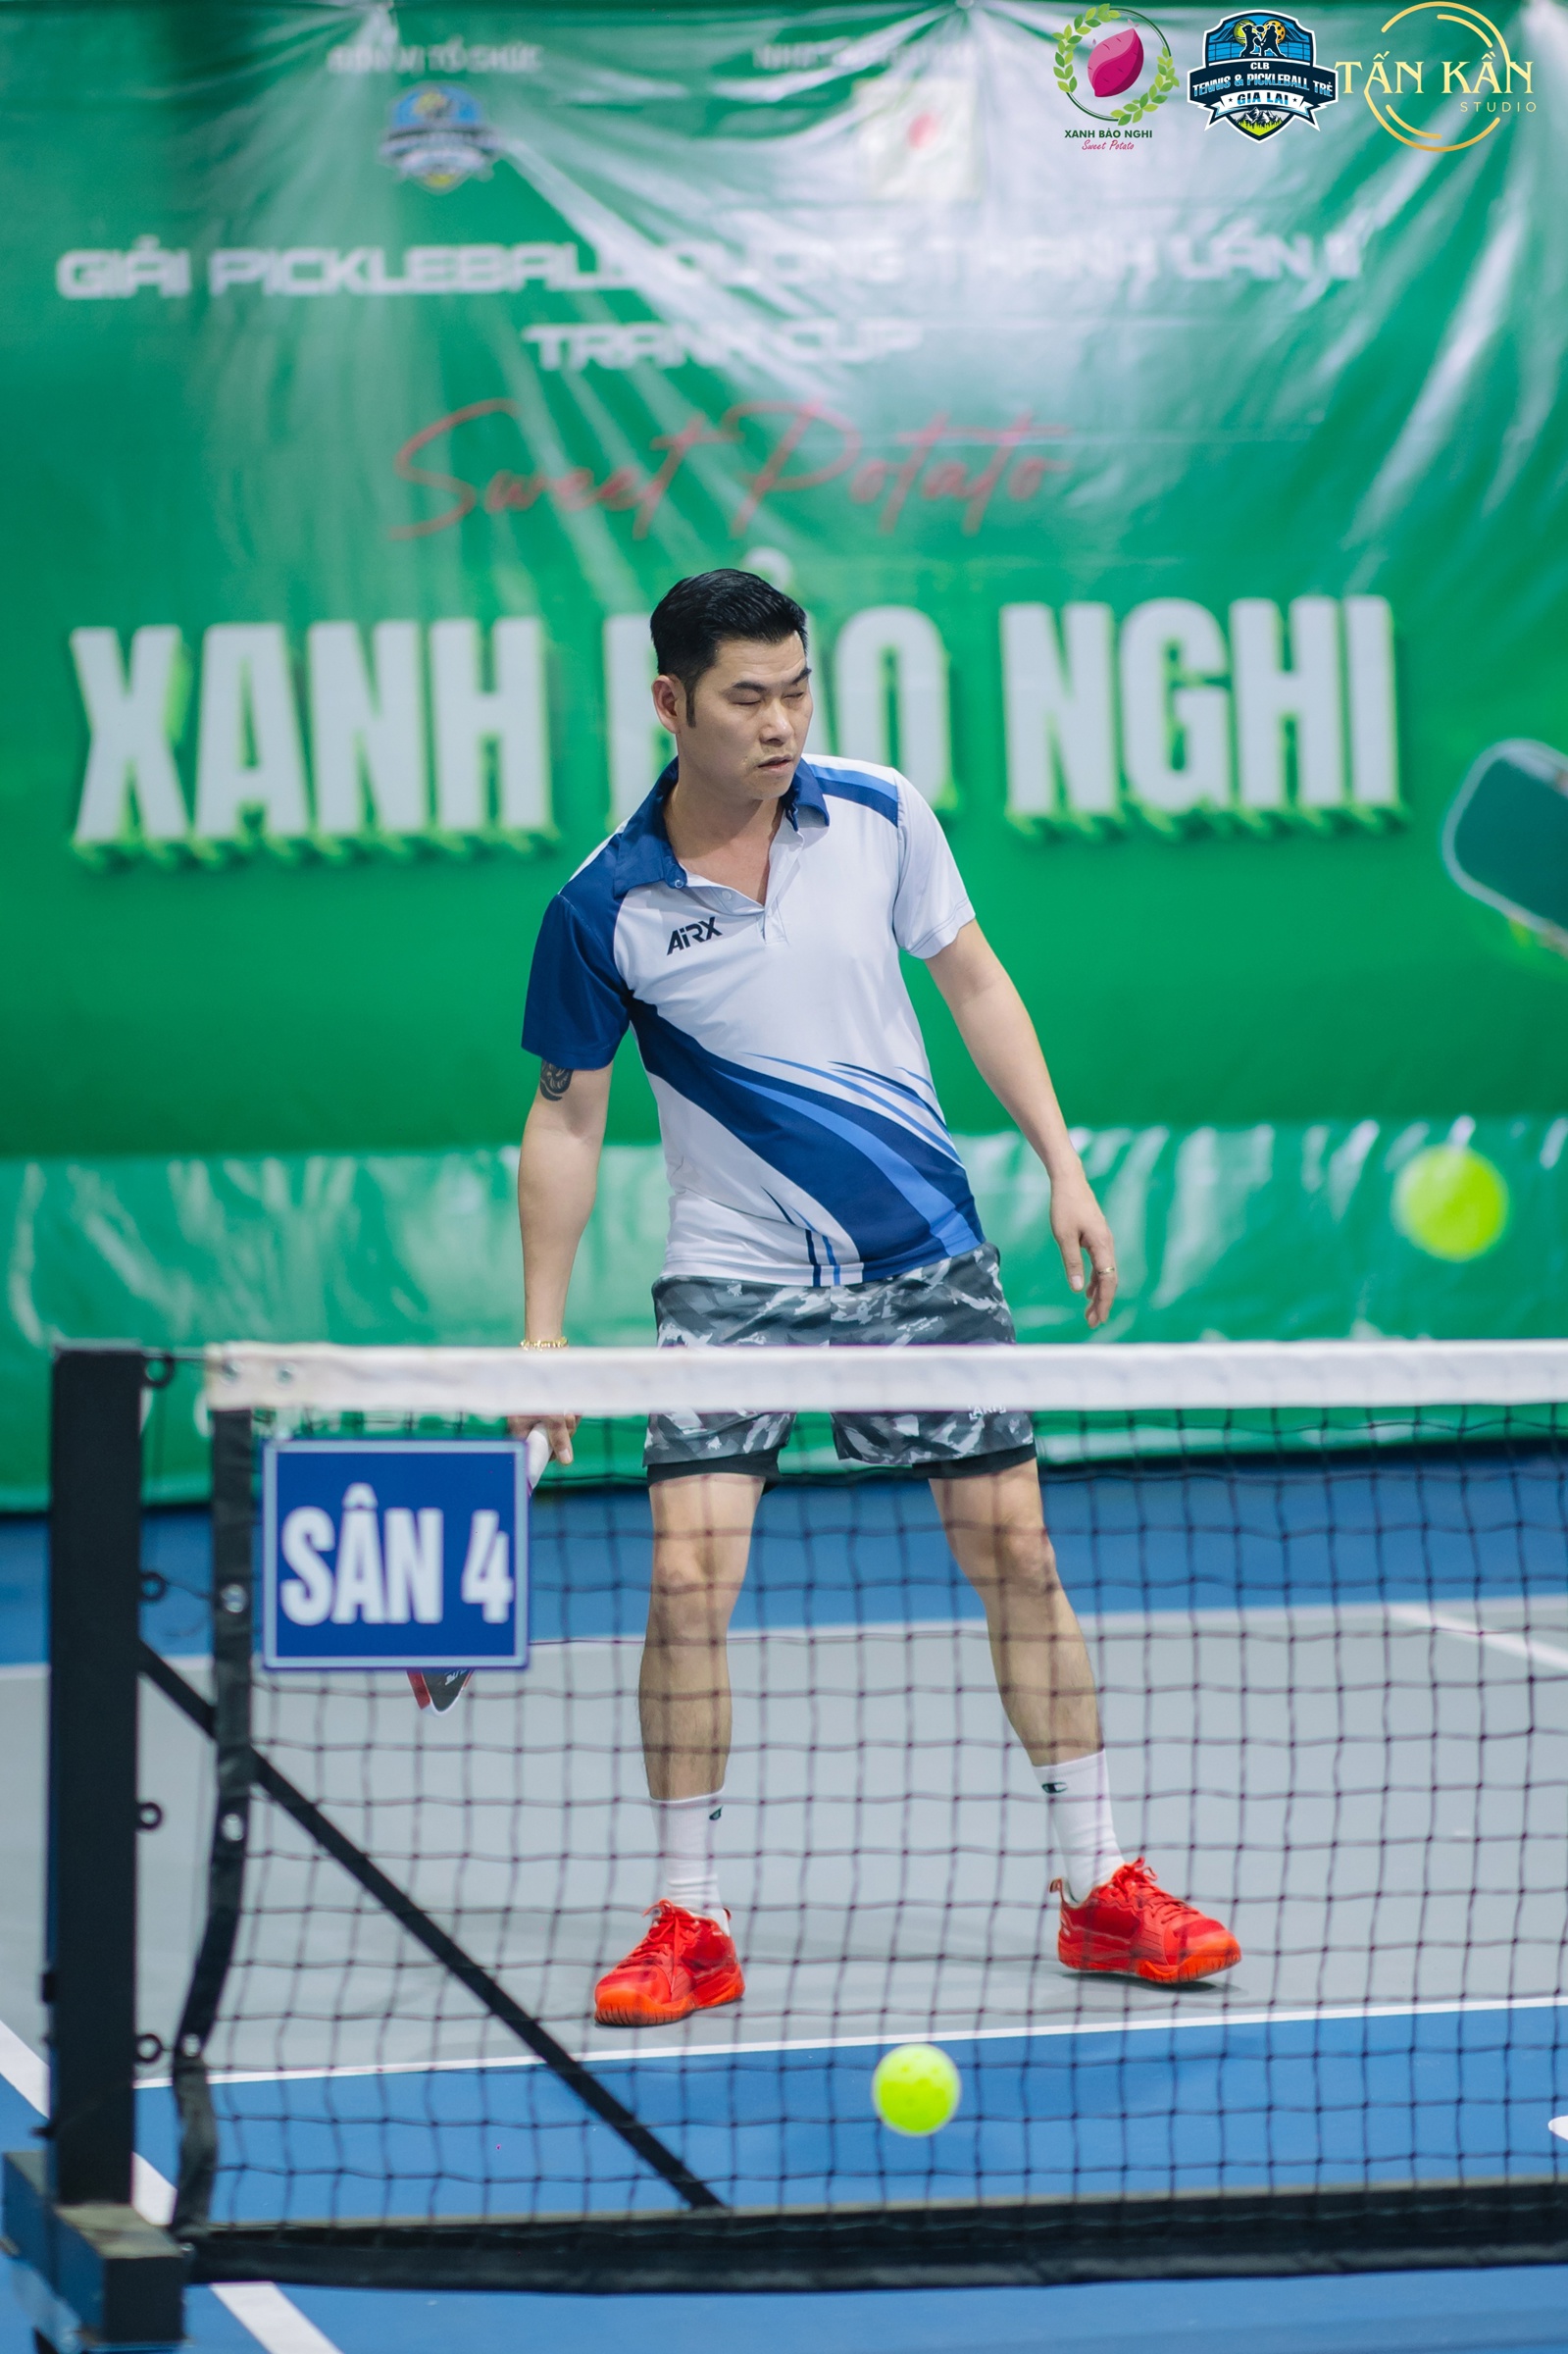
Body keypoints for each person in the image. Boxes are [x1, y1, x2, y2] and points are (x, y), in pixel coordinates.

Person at [516, 569, 1239, 2027]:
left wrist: (1064, 1165)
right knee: (684, 1581)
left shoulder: (881, 813)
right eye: (747, 697)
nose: (781, 723)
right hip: (733, 1277)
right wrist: (541, 1336)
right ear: (670, 704)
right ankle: (689, 1918)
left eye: (798, 689)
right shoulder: (605, 904)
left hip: (923, 1257)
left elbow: (976, 984)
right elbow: (566, 1120)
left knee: (1017, 1553)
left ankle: (1100, 1884)